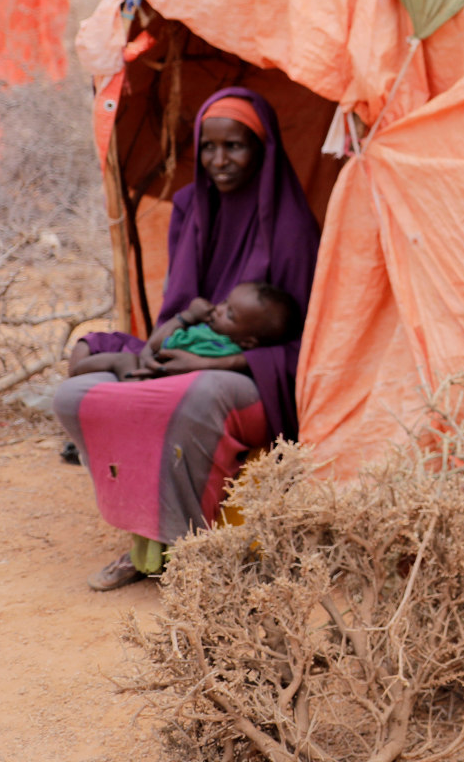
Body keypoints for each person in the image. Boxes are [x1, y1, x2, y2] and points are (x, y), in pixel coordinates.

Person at [54, 87, 320, 590]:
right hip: (190, 347)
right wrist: (165, 350)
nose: (220, 161)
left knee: (195, 398)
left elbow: (309, 349)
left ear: (262, 148)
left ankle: (188, 549)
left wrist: (217, 365)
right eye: (208, 147)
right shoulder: (191, 208)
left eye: (235, 146)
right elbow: (176, 308)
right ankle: (141, 536)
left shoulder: (293, 230)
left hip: (247, 373)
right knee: (74, 393)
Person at [67, 280, 301, 377]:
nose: (218, 309)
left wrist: (186, 317)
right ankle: (77, 376)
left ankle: (79, 376)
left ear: (249, 342)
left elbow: (156, 343)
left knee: (120, 361)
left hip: (148, 370)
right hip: (150, 360)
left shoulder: (214, 346)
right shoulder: (217, 338)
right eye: (224, 303)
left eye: (230, 314)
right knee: (91, 342)